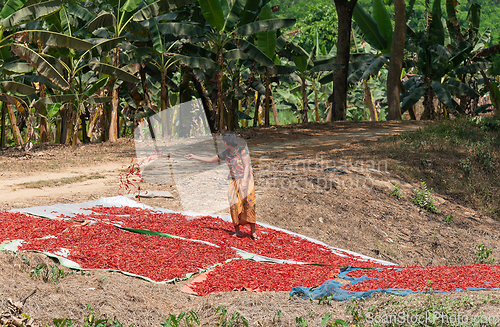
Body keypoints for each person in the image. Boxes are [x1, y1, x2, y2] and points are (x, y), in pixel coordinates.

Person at [185, 132, 259, 240]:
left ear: (228, 143)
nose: (223, 144)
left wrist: (244, 182)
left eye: (224, 142)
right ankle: (237, 231)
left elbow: (247, 166)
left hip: (246, 179)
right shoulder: (226, 153)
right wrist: (194, 157)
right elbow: (211, 160)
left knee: (249, 203)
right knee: (234, 204)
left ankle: (253, 232)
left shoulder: (242, 151)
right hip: (233, 180)